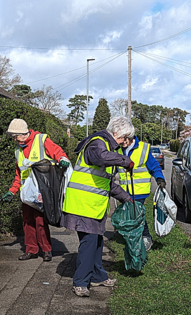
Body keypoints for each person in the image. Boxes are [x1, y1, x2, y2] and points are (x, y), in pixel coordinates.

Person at [61, 116, 134, 297]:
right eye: (124, 138)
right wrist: (124, 161)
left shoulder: (106, 147)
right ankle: (80, 282)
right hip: (83, 205)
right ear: (115, 132)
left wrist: (126, 198)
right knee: (89, 243)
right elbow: (100, 158)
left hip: (92, 206)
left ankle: (98, 276)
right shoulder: (97, 144)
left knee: (97, 242)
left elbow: (106, 182)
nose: (124, 143)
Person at [1, 118, 70, 262]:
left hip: (41, 189)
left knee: (40, 220)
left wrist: (62, 158)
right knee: (27, 221)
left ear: (24, 133)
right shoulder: (18, 150)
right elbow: (19, 174)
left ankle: (46, 250)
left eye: (15, 136)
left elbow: (57, 151)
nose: (14, 139)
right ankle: (31, 250)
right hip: (27, 192)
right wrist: (12, 191)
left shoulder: (41, 140)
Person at [119, 135, 166, 251]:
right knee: (131, 215)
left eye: (124, 139)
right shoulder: (118, 149)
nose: (122, 142)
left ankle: (146, 237)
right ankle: (135, 237)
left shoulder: (143, 149)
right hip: (124, 190)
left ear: (129, 136)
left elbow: (154, 166)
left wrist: (159, 177)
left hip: (140, 190)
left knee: (137, 214)